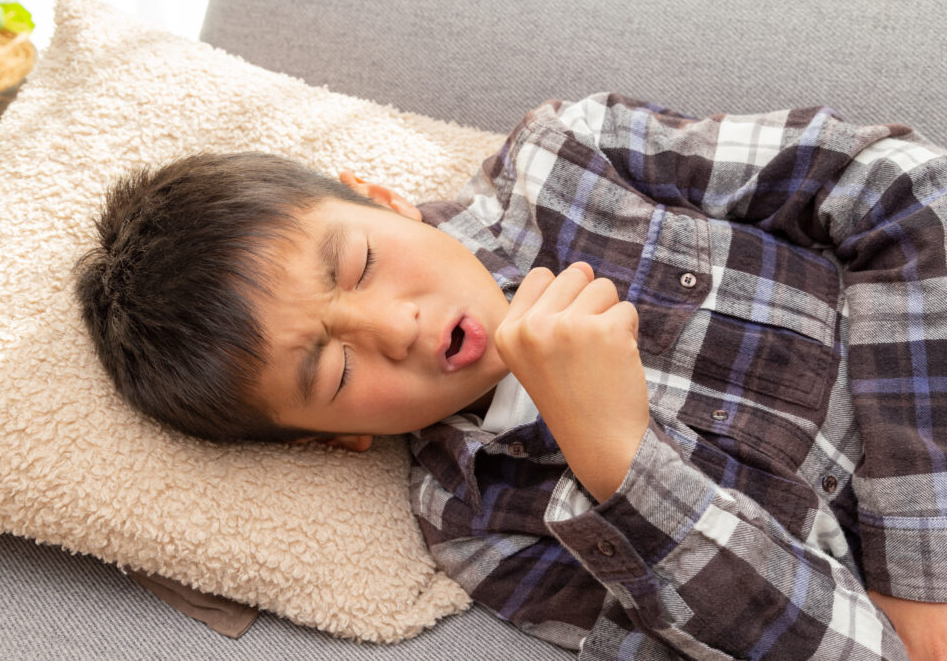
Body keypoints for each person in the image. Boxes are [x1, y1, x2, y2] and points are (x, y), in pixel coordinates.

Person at [75, 92, 947, 659]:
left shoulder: (566, 161)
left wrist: (917, 570)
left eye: (360, 263)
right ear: (337, 438)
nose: (396, 326)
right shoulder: (477, 528)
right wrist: (621, 462)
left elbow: (898, 188)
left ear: (379, 197)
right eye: (335, 370)